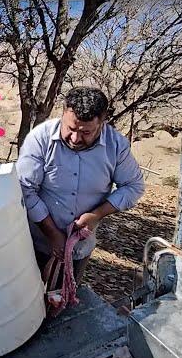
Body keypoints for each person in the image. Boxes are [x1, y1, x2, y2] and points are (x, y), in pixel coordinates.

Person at [16, 86, 145, 284]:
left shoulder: (116, 146)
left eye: (86, 132)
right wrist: (51, 233)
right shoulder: (40, 138)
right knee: (26, 299)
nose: (76, 138)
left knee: (65, 298)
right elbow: (25, 189)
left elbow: (133, 186)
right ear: (63, 114)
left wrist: (96, 215)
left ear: (102, 124)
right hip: (34, 244)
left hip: (80, 247)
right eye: (71, 128)